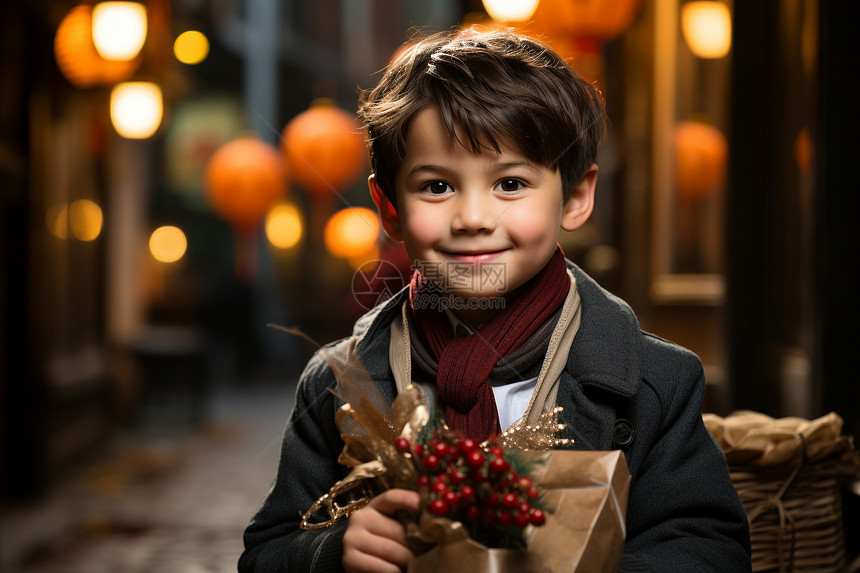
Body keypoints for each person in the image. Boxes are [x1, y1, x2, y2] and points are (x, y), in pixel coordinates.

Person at [239, 28, 751, 573]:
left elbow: (707, 546)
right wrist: (334, 553)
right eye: (436, 186)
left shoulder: (653, 381)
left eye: (510, 184)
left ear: (576, 197)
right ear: (389, 209)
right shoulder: (340, 382)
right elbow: (267, 551)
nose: (474, 218)